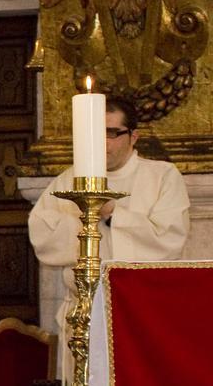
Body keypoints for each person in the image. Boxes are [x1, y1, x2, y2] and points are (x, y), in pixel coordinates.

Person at [28, 95, 189, 381]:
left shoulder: (162, 176)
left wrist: (114, 214)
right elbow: (42, 234)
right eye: (94, 133)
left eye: (112, 133)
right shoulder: (69, 180)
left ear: (133, 136)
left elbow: (169, 240)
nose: (102, 142)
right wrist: (92, 221)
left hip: (141, 313)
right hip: (82, 314)